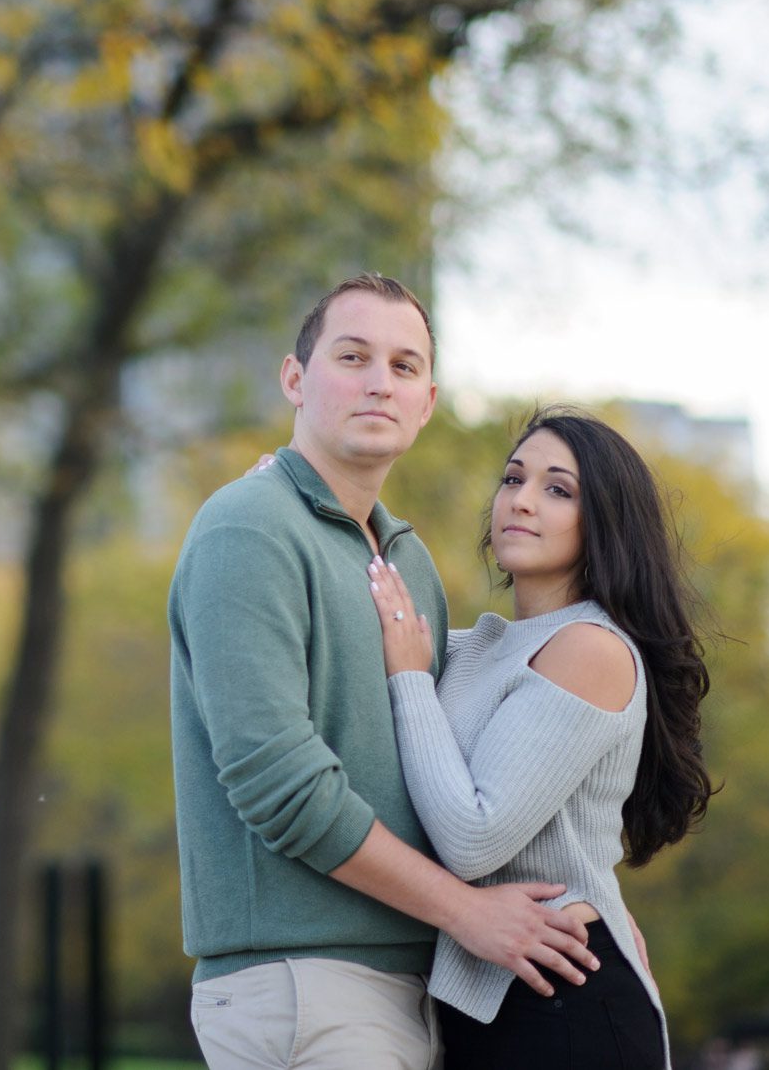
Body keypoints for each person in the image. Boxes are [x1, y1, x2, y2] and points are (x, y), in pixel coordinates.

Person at [170, 275, 599, 1070]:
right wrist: (467, 912)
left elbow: (460, 771)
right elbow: (281, 787)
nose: (379, 381)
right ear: (295, 379)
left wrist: (594, 899)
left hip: (410, 983)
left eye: (404, 366)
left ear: (428, 401)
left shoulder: (405, 557)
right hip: (303, 984)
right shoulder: (248, 527)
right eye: (353, 355)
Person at [365, 406, 717, 1069]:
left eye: (557, 489)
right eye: (512, 479)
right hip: (485, 1004)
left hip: (568, 1000)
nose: (521, 501)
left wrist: (410, 680)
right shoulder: (481, 646)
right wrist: (283, 497)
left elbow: (473, 838)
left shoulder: (592, 647)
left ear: (604, 523)